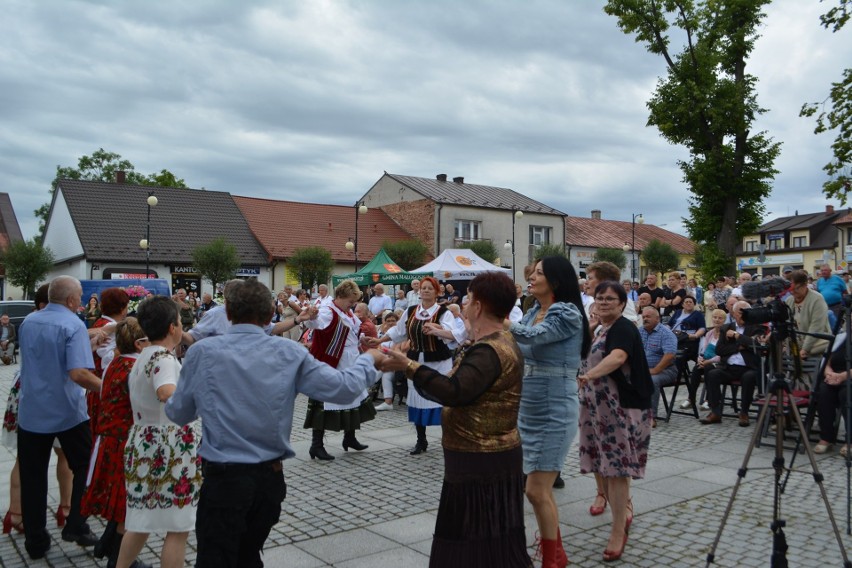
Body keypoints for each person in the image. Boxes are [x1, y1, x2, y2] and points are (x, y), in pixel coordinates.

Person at [164, 278, 385, 567]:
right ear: (271, 316)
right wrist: (369, 360)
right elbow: (342, 388)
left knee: (215, 556)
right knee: (249, 554)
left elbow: (179, 413)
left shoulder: (203, 353)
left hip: (223, 477)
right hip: (267, 478)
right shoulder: (289, 353)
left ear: (228, 313)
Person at [381, 272, 532, 567]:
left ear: (478, 306)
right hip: (481, 457)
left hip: (482, 459)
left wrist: (409, 365)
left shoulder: (491, 349)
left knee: (475, 536)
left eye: (468, 299)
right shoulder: (490, 342)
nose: (463, 305)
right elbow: (451, 382)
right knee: (486, 535)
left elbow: (454, 391)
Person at [507, 256, 591, 568]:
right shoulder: (532, 310)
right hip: (528, 404)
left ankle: (552, 557)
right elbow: (517, 342)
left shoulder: (566, 312)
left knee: (535, 489)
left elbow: (532, 337)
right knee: (537, 490)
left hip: (555, 405)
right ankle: (556, 552)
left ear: (556, 280)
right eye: (532, 271)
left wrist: (501, 322)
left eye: (539, 272)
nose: (531, 275)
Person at [17, 276, 102, 559]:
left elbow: (48, 357)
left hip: (32, 410)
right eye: (79, 296)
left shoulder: (30, 321)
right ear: (70, 300)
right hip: (67, 411)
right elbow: (77, 374)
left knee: (33, 476)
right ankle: (75, 524)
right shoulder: (73, 324)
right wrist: (110, 386)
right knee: (85, 466)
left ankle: (36, 541)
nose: (81, 301)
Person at [116, 296, 200, 568]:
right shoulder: (164, 359)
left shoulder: (143, 355)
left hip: (144, 441)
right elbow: (165, 392)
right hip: (168, 447)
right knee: (178, 525)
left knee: (140, 521)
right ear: (173, 327)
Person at [577, 281, 653, 563]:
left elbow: (617, 357)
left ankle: (618, 529)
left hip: (621, 407)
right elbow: (582, 351)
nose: (604, 302)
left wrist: (589, 375)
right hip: (598, 407)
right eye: (600, 298)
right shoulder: (601, 328)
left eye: (611, 299)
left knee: (617, 469)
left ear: (623, 304)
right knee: (606, 467)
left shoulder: (623, 328)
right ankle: (624, 509)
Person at [2, 284, 75, 538]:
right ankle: (64, 509)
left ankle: (17, 513)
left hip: (25, 392)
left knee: (26, 458)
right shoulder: (51, 324)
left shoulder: (30, 323)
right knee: (62, 455)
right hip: (50, 396)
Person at [80, 318, 151, 568]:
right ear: (139, 343)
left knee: (119, 500)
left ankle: (107, 545)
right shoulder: (136, 368)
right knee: (127, 505)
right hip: (125, 442)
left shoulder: (115, 362)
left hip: (109, 439)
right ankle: (119, 560)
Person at [364, 276, 455, 455]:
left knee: (441, 397)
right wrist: (379, 339)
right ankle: (421, 440)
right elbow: (399, 331)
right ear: (419, 292)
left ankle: (449, 441)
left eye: (430, 288)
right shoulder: (412, 310)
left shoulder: (444, 312)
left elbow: (454, 335)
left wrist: (437, 330)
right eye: (423, 288)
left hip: (438, 361)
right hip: (416, 359)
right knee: (418, 397)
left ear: (437, 292)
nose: (426, 290)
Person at [302, 281, 377, 460]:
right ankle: (316, 445)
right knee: (324, 401)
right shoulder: (329, 310)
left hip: (349, 360)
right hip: (332, 362)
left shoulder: (347, 312)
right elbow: (315, 324)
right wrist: (311, 316)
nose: (353, 304)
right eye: (351, 300)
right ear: (341, 296)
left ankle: (349, 437)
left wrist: (362, 341)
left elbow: (350, 335)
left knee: (352, 397)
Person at [701, 301, 767, 426]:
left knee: (749, 377)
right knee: (712, 374)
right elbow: (720, 350)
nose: (742, 315)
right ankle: (715, 412)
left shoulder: (755, 327)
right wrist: (739, 347)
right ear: (734, 314)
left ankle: (744, 412)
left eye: (745, 313)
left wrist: (737, 336)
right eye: (740, 313)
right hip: (729, 367)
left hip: (748, 367)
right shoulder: (726, 328)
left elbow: (756, 345)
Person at [680, 309, 727, 412]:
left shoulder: (725, 335)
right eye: (715, 317)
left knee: (708, 368)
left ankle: (709, 399)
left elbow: (723, 355)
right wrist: (700, 359)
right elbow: (703, 350)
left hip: (719, 363)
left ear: (724, 320)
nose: (717, 320)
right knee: (696, 368)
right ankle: (691, 399)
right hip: (707, 361)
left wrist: (708, 362)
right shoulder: (709, 333)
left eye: (720, 318)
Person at [639, 306, 678, 427]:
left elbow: (669, 355)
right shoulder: (639, 331)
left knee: (652, 380)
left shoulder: (666, 333)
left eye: (648, 317)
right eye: (643, 316)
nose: (645, 319)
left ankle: (651, 417)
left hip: (666, 370)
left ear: (657, 318)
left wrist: (655, 370)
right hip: (644, 369)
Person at [785, 270, 831, 361]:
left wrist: (805, 349)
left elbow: (816, 327)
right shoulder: (789, 301)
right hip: (797, 344)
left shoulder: (817, 299)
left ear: (805, 284)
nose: (793, 292)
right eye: (791, 289)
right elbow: (786, 324)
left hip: (817, 343)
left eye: (796, 288)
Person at [375, 312, 401, 411]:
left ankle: (360, 393)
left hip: (396, 362)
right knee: (386, 373)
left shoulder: (399, 333)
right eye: (388, 321)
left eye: (393, 321)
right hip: (384, 361)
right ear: (384, 322)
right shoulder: (384, 334)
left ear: (398, 322)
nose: (390, 323)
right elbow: (378, 347)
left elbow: (394, 351)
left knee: (383, 369)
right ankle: (388, 402)